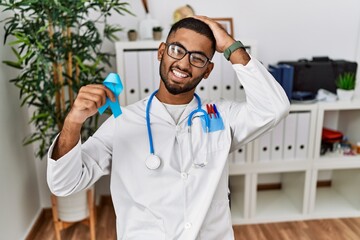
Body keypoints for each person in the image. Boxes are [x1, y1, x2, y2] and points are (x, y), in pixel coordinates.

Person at [47, 16, 290, 240]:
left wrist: (230, 44)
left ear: (208, 71)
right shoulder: (122, 123)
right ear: (161, 52)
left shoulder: (221, 116)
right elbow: (63, 183)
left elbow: (275, 108)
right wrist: (73, 121)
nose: (184, 64)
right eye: (177, 50)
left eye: (197, 58)